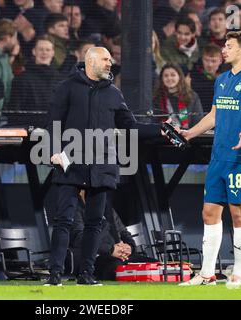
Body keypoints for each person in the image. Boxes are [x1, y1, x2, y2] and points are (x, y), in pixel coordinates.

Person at [45, 47, 164, 286]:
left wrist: (160, 129)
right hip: (72, 165)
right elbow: (52, 123)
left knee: (95, 223)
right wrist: (53, 152)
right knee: (63, 221)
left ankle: (86, 275)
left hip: (102, 167)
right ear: (90, 61)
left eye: (111, 59)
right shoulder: (67, 87)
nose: (111, 63)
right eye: (106, 59)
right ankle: (55, 275)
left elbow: (130, 126)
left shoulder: (114, 93)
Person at [178, 31, 241, 289]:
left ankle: (238, 273)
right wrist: (191, 133)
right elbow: (214, 115)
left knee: (238, 213)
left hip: (240, 156)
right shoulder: (222, 80)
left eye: (229, 46)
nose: (224, 50)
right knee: (209, 212)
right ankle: (207, 274)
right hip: (218, 156)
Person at [70, 191, 157, 280]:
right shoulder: (76, 209)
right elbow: (79, 238)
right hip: (96, 258)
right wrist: (111, 250)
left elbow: (123, 231)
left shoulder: (108, 208)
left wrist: (129, 247)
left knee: (155, 265)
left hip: (120, 254)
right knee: (117, 268)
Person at [7, 36, 63, 128]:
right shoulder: (21, 80)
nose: (44, 53)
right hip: (29, 132)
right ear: (34, 52)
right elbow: (14, 113)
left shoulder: (61, 81)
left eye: (47, 50)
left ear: (53, 53)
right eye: (41, 49)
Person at [153, 63, 204, 129]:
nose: (169, 78)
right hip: (163, 135)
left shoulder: (191, 96)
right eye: (166, 76)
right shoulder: (157, 97)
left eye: (173, 75)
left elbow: (198, 122)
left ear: (179, 77)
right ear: (162, 79)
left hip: (188, 135)